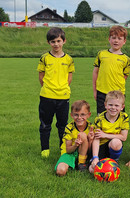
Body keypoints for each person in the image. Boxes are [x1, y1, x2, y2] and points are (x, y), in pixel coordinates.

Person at [37, 27, 75, 158]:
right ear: (49, 43)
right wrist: (49, 88)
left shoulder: (69, 59)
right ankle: (45, 149)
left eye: (58, 41)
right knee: (45, 124)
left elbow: (69, 77)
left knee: (63, 126)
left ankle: (62, 148)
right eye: (53, 41)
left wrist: (62, 88)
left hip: (63, 97)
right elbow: (41, 77)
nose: (56, 44)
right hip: (47, 96)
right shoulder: (44, 58)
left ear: (64, 41)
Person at [92, 25, 130, 114]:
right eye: (113, 38)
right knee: (101, 118)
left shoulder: (126, 59)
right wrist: (95, 90)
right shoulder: (101, 54)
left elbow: (125, 76)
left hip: (118, 94)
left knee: (118, 120)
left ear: (124, 41)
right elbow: (95, 72)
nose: (116, 40)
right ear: (109, 39)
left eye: (119, 38)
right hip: (102, 92)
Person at [89, 90, 129, 173]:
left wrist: (105, 135)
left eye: (116, 105)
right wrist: (95, 157)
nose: (113, 108)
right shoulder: (99, 119)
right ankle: (98, 160)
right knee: (92, 170)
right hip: (101, 146)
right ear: (105, 105)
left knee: (116, 142)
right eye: (110, 105)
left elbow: (123, 137)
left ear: (122, 107)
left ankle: (114, 161)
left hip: (112, 145)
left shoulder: (124, 117)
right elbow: (96, 139)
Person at [55, 100, 94, 176]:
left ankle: (81, 163)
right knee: (60, 171)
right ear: (71, 115)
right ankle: (74, 163)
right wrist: (75, 145)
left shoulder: (91, 127)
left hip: (84, 154)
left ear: (88, 115)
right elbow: (68, 150)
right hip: (70, 153)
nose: (79, 118)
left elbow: (90, 150)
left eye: (82, 114)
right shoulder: (69, 128)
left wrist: (90, 140)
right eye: (76, 115)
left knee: (82, 135)